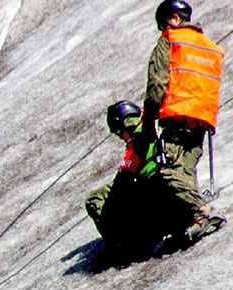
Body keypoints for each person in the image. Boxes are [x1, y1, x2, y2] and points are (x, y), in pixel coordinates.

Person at [142, 0, 225, 241]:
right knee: (185, 172)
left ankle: (202, 212)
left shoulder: (170, 41)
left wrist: (149, 123)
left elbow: (157, 84)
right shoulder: (208, 47)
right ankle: (189, 221)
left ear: (171, 19)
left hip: (177, 117)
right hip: (202, 121)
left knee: (168, 171)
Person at [85, 101, 161, 253]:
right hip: (155, 186)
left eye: (119, 133)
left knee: (94, 200)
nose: (120, 138)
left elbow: (122, 182)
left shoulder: (136, 142)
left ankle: (120, 245)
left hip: (146, 192)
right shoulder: (155, 125)